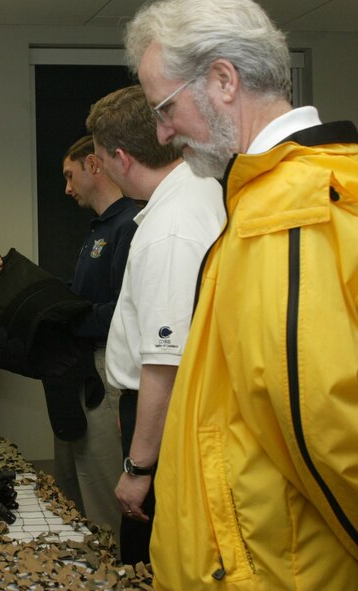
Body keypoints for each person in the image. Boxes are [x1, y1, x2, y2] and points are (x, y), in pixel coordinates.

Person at [124, 0, 358, 588]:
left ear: (223, 81)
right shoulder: (270, 197)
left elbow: (328, 433)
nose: (161, 131)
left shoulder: (284, 214)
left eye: (166, 107)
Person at [85, 85, 225, 565]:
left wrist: (139, 467)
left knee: (148, 556)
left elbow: (164, 365)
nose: (101, 168)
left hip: (163, 422)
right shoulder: (196, 189)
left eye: (100, 159)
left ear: (122, 158)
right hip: (187, 414)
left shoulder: (169, 228)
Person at [45, 135, 139, 540]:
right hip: (78, 370)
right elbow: (81, 297)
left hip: (106, 369)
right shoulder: (97, 230)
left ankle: (114, 574)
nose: (67, 188)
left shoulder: (128, 227)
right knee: (73, 480)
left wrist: (69, 319)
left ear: (94, 166)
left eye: (70, 176)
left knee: (100, 485)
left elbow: (122, 312)